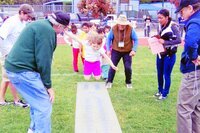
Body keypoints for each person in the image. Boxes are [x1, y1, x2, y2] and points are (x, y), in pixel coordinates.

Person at [4, 11, 70, 133]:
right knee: (44, 105)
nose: (63, 31)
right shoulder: (48, 31)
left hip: (17, 69)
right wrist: (48, 86)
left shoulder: (41, 24)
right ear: (60, 26)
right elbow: (44, 60)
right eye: (64, 28)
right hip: (22, 71)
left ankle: (33, 129)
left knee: (37, 102)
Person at [0, 4, 35, 107]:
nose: (29, 18)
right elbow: (1, 37)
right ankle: (16, 100)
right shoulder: (11, 22)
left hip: (14, 54)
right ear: (21, 12)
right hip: (8, 54)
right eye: (28, 15)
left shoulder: (22, 22)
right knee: (11, 77)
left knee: (7, 78)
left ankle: (2, 100)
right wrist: (6, 54)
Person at [175, 0, 200, 132]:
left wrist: (194, 56)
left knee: (184, 109)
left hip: (194, 71)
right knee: (196, 109)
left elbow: (190, 43)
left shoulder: (195, 21)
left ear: (190, 8)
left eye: (182, 10)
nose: (181, 14)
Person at [154, 9, 181, 100]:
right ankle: (160, 91)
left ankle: (165, 94)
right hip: (160, 53)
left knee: (166, 74)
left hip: (169, 55)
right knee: (159, 73)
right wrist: (154, 43)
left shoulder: (173, 26)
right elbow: (159, 38)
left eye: (161, 18)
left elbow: (179, 40)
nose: (159, 20)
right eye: (158, 18)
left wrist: (164, 42)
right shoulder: (159, 25)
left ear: (167, 17)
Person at [105, 14, 138, 89]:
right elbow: (109, 39)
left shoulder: (131, 29)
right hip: (116, 50)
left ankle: (128, 82)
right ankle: (109, 81)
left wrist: (134, 50)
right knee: (113, 66)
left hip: (127, 51)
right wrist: (108, 50)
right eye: (120, 24)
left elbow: (136, 39)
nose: (121, 26)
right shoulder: (113, 28)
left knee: (128, 67)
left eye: (123, 25)